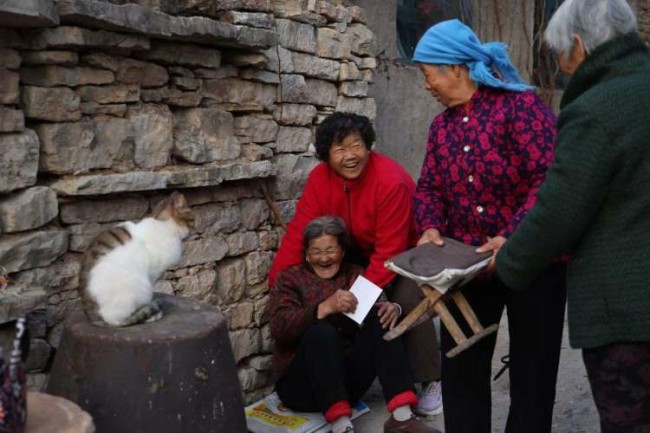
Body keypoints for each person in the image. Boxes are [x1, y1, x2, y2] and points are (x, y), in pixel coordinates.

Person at [495, 1, 650, 431]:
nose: (563, 70)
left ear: (580, 45)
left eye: (561, 57)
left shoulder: (597, 109)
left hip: (628, 313)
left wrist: (507, 261)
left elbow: (559, 210)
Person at [411, 19, 567, 433]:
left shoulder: (520, 109)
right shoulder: (441, 129)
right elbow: (428, 187)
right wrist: (429, 227)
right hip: (468, 269)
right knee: (461, 365)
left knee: (533, 373)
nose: (427, 86)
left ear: (455, 69)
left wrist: (511, 236)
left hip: (533, 262)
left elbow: (549, 177)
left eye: (429, 75)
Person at [268, 112, 443, 416]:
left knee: (404, 300)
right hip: (355, 247)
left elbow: (388, 253)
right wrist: (279, 283)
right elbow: (300, 232)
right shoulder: (320, 179)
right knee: (332, 295)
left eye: (356, 146)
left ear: (368, 145)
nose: (350, 156)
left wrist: (358, 300)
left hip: (403, 251)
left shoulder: (391, 181)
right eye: (339, 149)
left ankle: (429, 378)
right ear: (326, 155)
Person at [269, 216, 441, 433]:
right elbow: (279, 328)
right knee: (321, 331)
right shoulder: (290, 279)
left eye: (330, 250)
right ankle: (342, 427)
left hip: (347, 384)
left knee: (381, 318)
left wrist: (393, 309)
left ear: (342, 251)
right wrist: (323, 308)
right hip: (301, 387)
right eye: (316, 251)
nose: (324, 258)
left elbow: (380, 305)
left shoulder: (354, 274)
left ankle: (402, 417)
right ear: (306, 253)